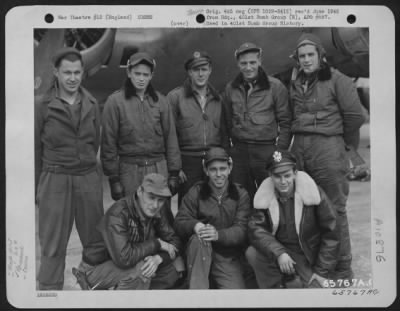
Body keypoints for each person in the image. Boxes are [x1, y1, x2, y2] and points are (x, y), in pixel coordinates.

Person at [288, 33, 366, 280]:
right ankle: (320, 266)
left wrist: (344, 146)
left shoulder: (337, 80)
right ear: (297, 60)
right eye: (302, 56)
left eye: (311, 55)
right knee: (309, 209)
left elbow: (355, 117)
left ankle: (342, 270)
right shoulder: (297, 82)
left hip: (327, 150)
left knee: (334, 210)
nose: (307, 60)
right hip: (301, 150)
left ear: (321, 56)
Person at [35, 47, 106, 290]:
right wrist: (40, 189)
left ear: (83, 73)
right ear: (56, 73)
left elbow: (94, 142)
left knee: (96, 242)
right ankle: (49, 295)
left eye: (77, 72)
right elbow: (35, 151)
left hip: (87, 179)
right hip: (55, 179)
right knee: (52, 244)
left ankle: (94, 290)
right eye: (67, 72)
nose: (73, 78)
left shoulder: (92, 103)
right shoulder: (41, 106)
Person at [101, 52, 181, 222]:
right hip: (130, 170)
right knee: (132, 217)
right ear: (129, 72)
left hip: (158, 167)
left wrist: (173, 173)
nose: (141, 79)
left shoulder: (161, 101)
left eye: (146, 74)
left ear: (151, 75)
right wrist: (113, 178)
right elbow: (108, 143)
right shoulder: (114, 102)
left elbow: (171, 138)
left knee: (161, 217)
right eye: (137, 74)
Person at [72, 173, 183, 290]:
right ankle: (119, 300)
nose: (155, 205)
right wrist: (157, 243)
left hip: (131, 261)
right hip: (95, 269)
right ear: (140, 192)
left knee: (176, 266)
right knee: (142, 270)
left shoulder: (159, 209)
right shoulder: (119, 213)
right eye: (151, 197)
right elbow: (124, 259)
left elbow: (175, 241)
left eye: (160, 200)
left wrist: (158, 258)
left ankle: (132, 295)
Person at [246, 149, 339, 288]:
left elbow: (332, 233)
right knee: (252, 253)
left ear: (295, 173)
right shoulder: (264, 196)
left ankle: (294, 281)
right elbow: (256, 229)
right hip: (278, 250)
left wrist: (321, 270)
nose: (283, 181)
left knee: (317, 291)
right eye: (277, 176)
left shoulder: (312, 193)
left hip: (306, 253)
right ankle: (275, 288)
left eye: (287, 175)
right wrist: (278, 252)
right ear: (270, 175)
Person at [223, 42, 292, 201]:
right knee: (241, 197)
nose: (248, 67)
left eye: (252, 62)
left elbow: (286, 122)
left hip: (266, 151)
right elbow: (226, 123)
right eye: (244, 63)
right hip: (239, 152)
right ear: (238, 64)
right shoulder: (230, 89)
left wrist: (279, 151)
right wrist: (229, 151)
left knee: (270, 197)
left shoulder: (275, 87)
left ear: (260, 61)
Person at [174, 147, 251, 289]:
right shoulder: (195, 192)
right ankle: (197, 293)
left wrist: (218, 235)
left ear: (230, 168)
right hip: (199, 252)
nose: (218, 174)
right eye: (213, 169)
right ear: (206, 170)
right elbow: (180, 221)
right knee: (199, 239)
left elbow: (242, 230)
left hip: (226, 256)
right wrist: (195, 225)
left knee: (236, 298)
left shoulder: (240, 194)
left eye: (222, 168)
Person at [167, 51, 227, 205]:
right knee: (188, 205)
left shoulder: (217, 98)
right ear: (189, 72)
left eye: (204, 69)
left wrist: (225, 161)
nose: (201, 74)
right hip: (188, 163)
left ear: (210, 70)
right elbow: (169, 135)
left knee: (213, 205)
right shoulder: (175, 98)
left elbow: (224, 133)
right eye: (196, 70)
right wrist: (175, 169)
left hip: (213, 160)